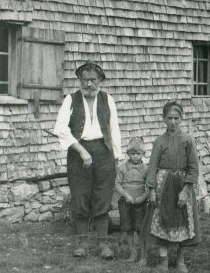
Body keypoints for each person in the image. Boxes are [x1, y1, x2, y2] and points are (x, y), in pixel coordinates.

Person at [54, 61, 122, 259]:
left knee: (103, 196)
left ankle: (103, 244)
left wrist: (116, 157)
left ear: (100, 81)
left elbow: (114, 129)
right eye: (85, 80)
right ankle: (83, 242)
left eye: (93, 80)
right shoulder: (71, 99)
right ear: (80, 81)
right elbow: (60, 129)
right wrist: (82, 151)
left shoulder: (107, 99)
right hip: (78, 152)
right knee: (80, 196)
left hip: (104, 152)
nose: (89, 84)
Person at [146, 101, 201, 273]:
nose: (173, 122)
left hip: (182, 184)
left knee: (183, 220)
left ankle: (180, 260)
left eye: (176, 118)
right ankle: (163, 261)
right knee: (162, 221)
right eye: (169, 118)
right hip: (163, 185)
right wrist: (152, 190)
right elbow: (152, 167)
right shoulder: (159, 141)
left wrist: (186, 190)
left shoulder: (188, 140)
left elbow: (194, 167)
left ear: (181, 119)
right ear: (164, 119)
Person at [115, 137, 149, 266]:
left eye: (138, 154)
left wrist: (144, 196)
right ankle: (132, 253)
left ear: (143, 154)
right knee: (128, 228)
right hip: (126, 202)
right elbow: (117, 184)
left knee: (141, 229)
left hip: (141, 203)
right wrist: (126, 195)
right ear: (128, 154)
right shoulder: (122, 168)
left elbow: (149, 185)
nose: (135, 157)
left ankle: (143, 255)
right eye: (132, 154)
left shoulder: (146, 169)